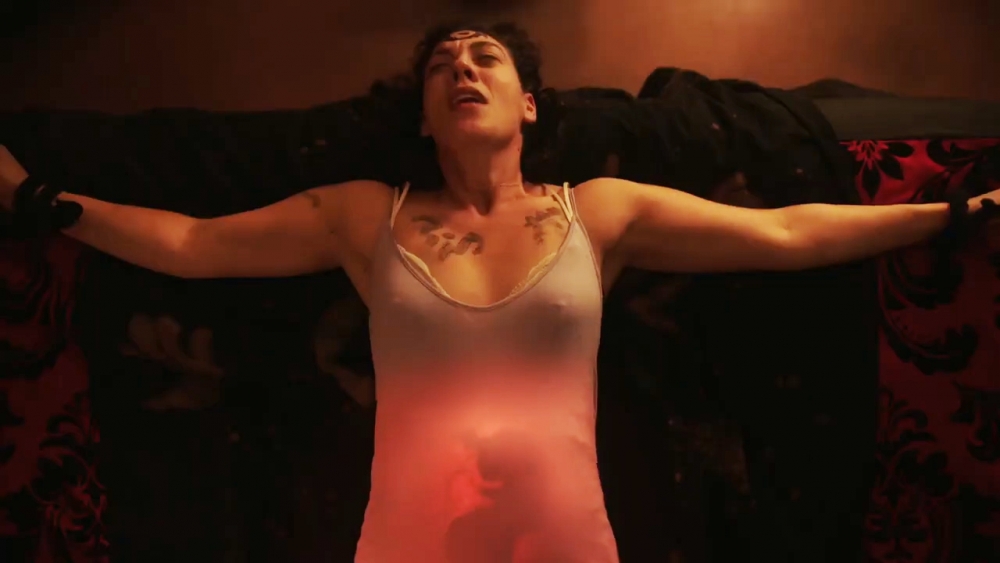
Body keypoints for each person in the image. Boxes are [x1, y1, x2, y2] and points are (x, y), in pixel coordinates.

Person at [1, 20, 997, 563]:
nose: (462, 68)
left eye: (485, 57)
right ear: (423, 116)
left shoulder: (599, 212)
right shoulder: (362, 214)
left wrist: (949, 214)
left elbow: (783, 232)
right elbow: (191, 244)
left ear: (528, 103)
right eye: (442, 65)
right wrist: (39, 199)